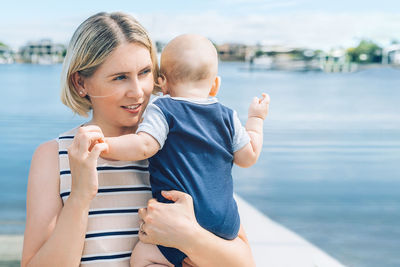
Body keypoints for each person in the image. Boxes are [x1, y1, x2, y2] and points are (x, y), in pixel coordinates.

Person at [21, 12, 256, 267]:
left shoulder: (182, 142)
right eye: (120, 77)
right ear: (80, 83)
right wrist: (80, 196)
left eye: (145, 73)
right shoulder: (52, 157)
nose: (138, 92)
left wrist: (190, 237)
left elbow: (244, 262)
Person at [101, 34, 270, 266]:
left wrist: (105, 144)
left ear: (163, 83)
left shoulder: (163, 108)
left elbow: (144, 145)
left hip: (173, 220)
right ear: (215, 85)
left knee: (142, 257)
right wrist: (256, 120)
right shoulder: (228, 116)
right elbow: (248, 156)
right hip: (224, 223)